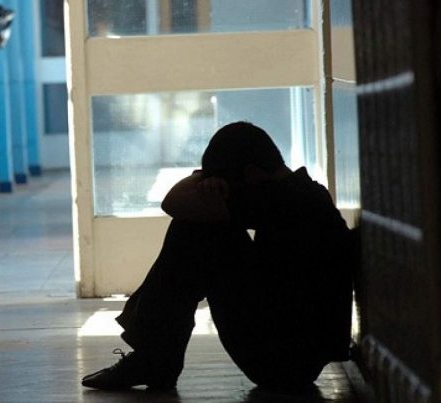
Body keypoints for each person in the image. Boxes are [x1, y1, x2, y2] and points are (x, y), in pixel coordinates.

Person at [81, 121, 353, 392]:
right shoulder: (305, 192)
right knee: (202, 224)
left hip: (281, 362)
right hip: (296, 356)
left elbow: (172, 202)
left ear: (251, 173)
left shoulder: (278, 200)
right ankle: (153, 357)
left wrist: (201, 179)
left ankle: (153, 358)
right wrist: (209, 180)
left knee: (195, 228)